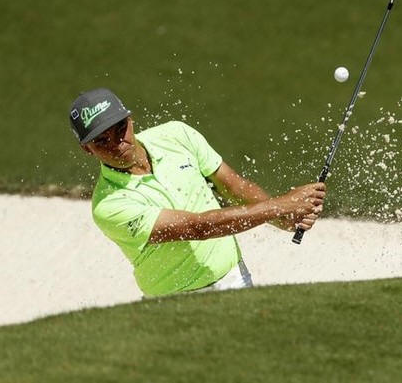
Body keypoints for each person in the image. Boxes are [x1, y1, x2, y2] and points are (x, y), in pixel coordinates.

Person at [69, 88, 326, 297]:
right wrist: (282, 205)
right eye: (101, 140)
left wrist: (283, 219)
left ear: (131, 120)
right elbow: (197, 228)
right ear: (87, 149)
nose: (117, 143)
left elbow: (233, 186)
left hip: (235, 279)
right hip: (173, 303)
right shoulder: (109, 205)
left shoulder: (175, 135)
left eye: (120, 129)